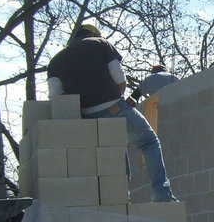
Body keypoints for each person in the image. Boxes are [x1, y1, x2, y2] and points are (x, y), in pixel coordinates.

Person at [45, 23, 177, 202]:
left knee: (114, 150)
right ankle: (163, 196)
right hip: (114, 107)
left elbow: (56, 97)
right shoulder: (101, 44)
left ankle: (121, 199)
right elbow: (120, 80)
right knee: (149, 142)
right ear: (93, 34)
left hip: (85, 117)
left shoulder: (56, 61)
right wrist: (114, 101)